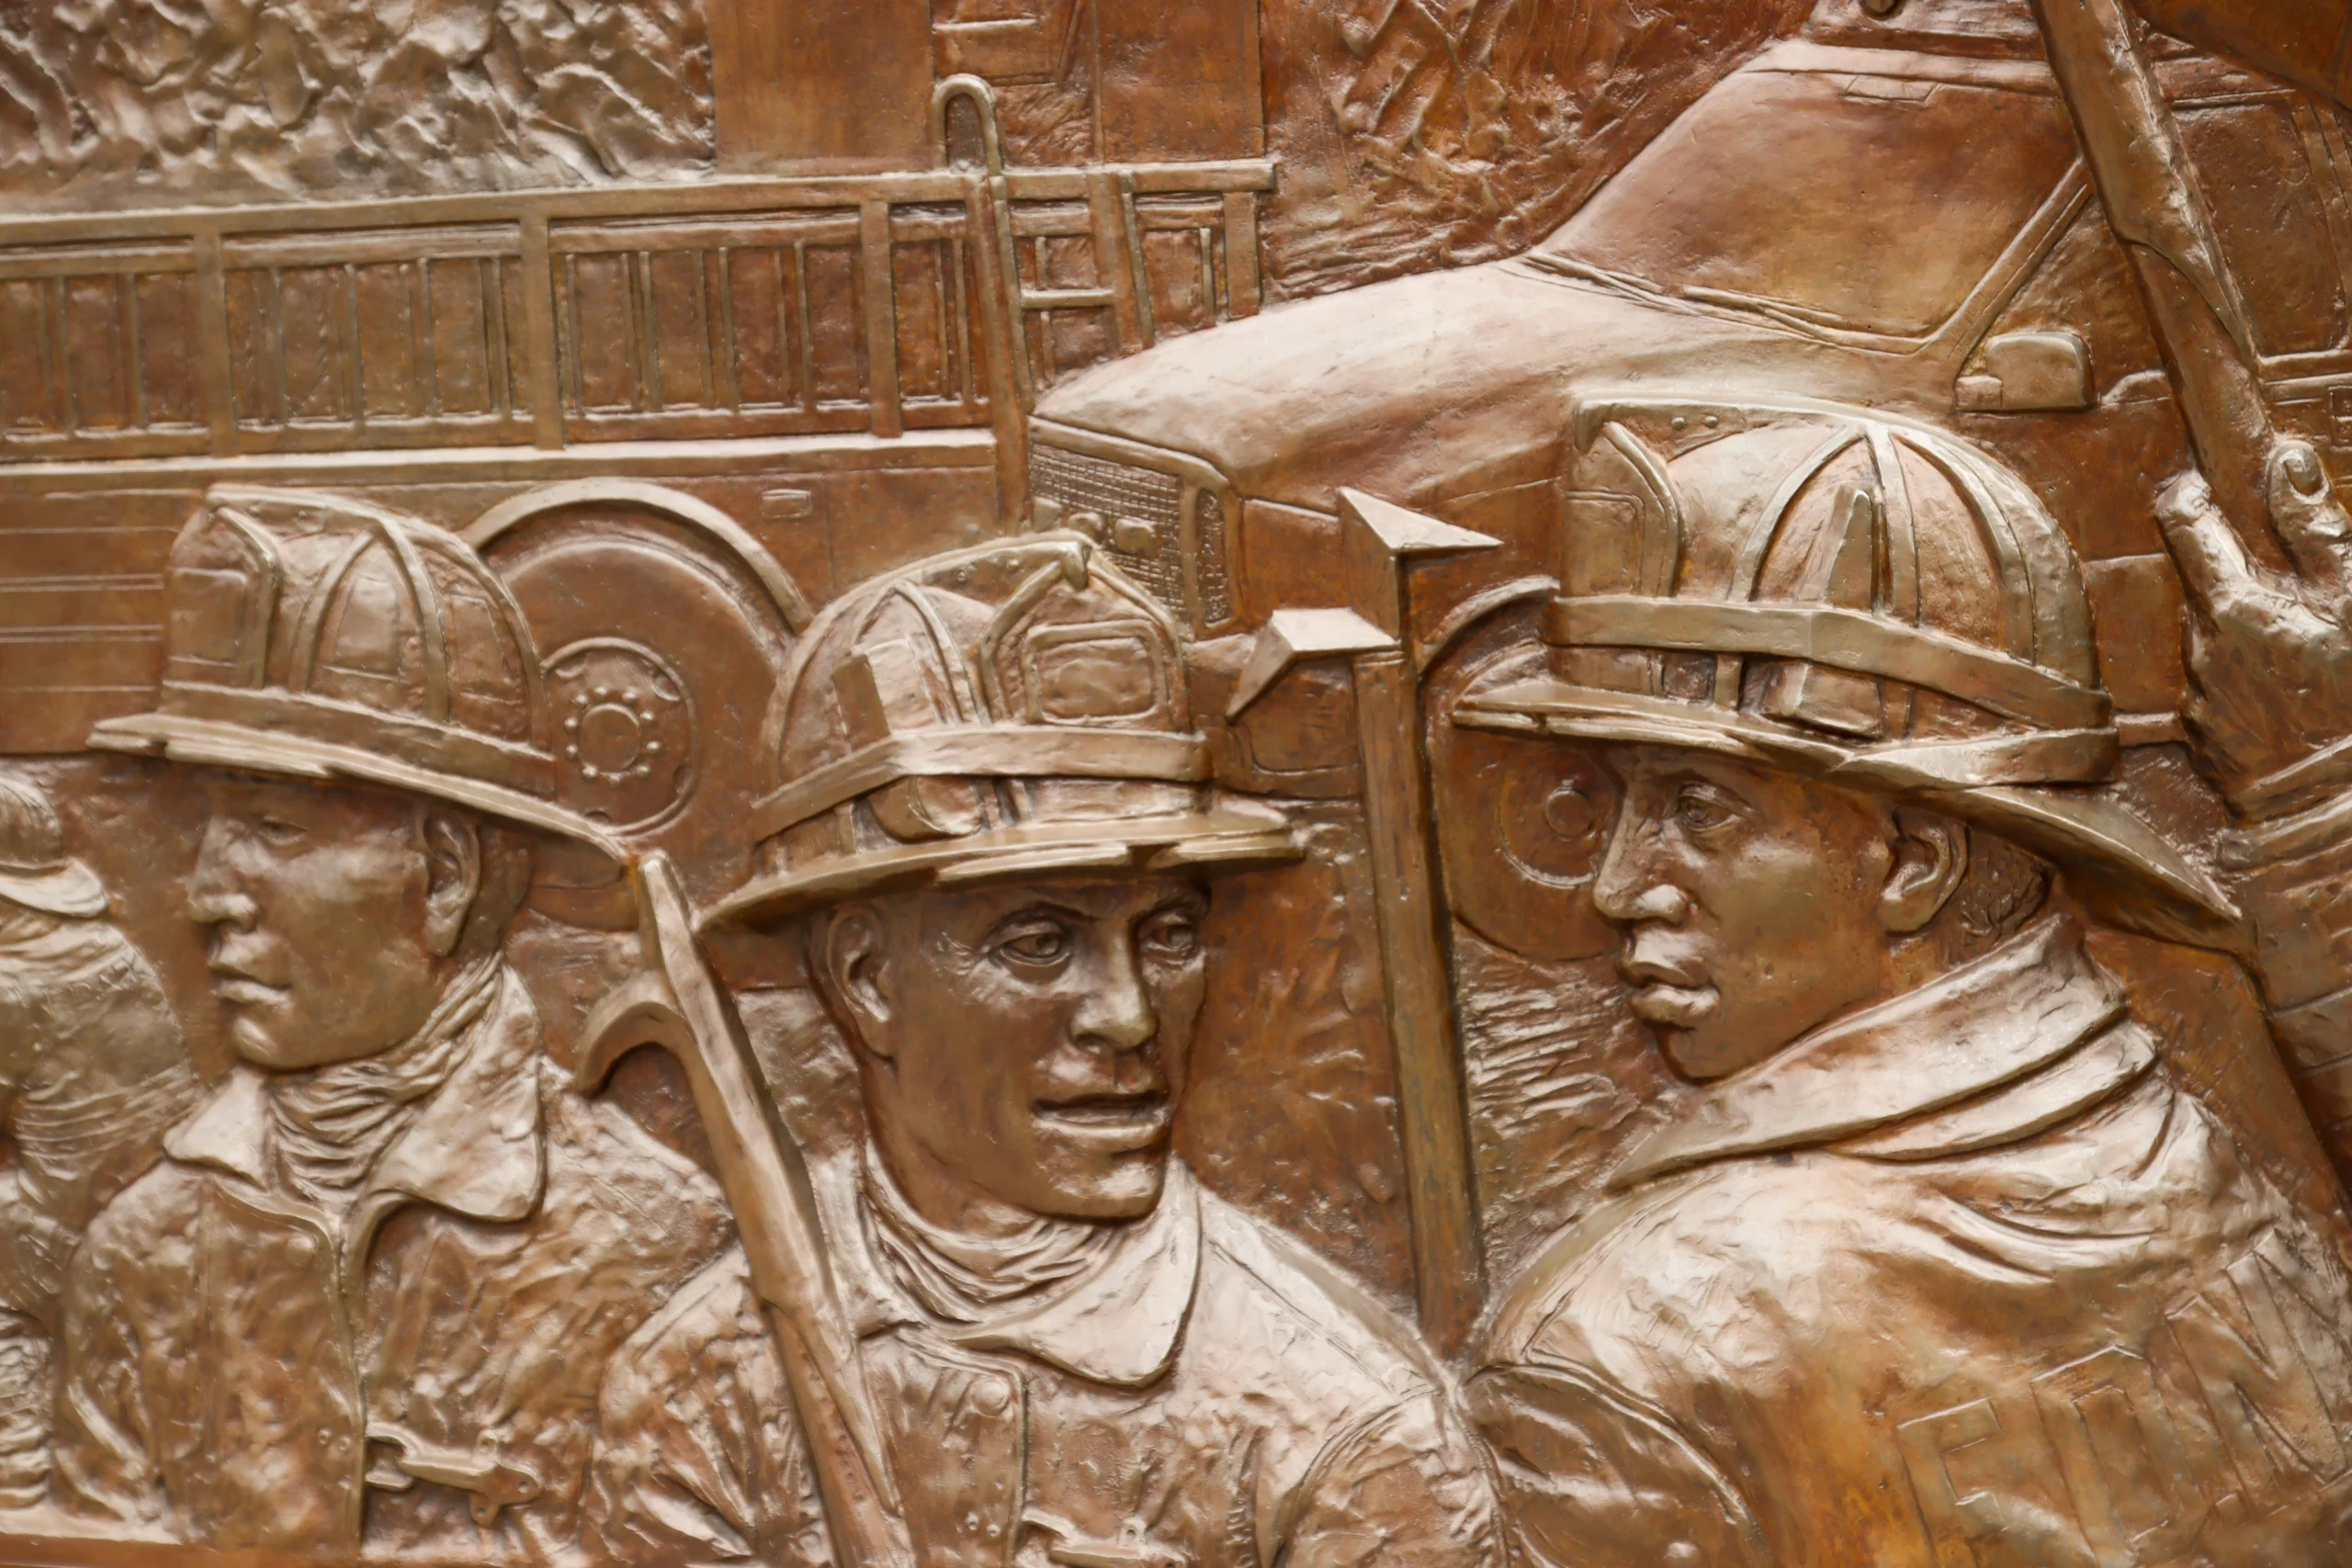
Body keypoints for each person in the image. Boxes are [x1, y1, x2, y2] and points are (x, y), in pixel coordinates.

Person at [1453, 406, 2352, 1566]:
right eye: (1612, 805)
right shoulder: (2202, 1166)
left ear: (1915, 863)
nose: (1620, 886)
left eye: (1695, 808)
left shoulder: (1624, 1354)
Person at [584, 536, 1501, 1568]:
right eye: (1036, 944)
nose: (1128, 1016)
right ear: (865, 982)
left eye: (1167, 936)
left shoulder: (1344, 1425)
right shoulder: (699, 1390)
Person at [51, 487, 731, 1560]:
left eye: (274, 828)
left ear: (448, 875)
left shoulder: (659, 1241)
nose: (208, 892)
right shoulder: (144, 1249)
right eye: (210, 830)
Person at [0, 770, 197, 1508]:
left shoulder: (10, 987)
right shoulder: (108, 952)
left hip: (72, 1244)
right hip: (169, 1220)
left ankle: (15, 1455)